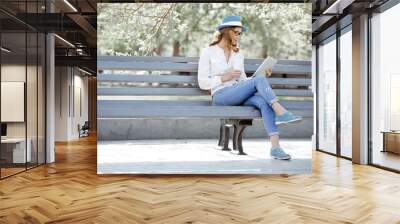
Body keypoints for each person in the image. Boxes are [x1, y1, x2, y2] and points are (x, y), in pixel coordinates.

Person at [197, 15, 302, 160]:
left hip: (238, 92)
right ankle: (281, 112)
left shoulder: (238, 53)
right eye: (236, 32)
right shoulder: (208, 51)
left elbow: (243, 80)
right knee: (259, 83)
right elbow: (202, 82)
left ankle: (275, 148)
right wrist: (223, 78)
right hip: (221, 96)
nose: (238, 36)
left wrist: (262, 75)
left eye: (240, 33)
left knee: (263, 102)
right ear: (226, 31)